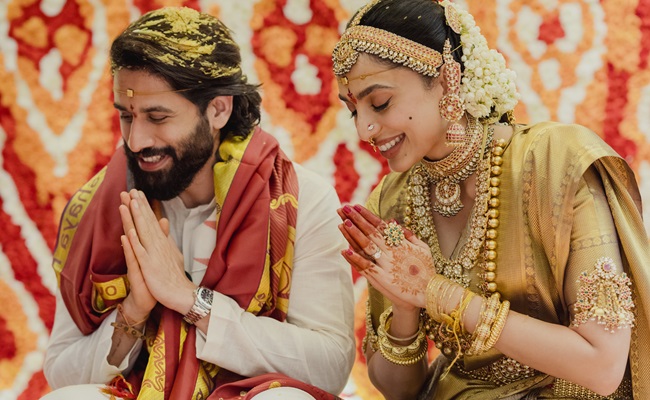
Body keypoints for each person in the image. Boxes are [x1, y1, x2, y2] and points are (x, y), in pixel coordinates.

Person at [332, 0, 650, 399]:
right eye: (353, 110)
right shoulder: (392, 203)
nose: (365, 129)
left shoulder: (557, 163)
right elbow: (400, 391)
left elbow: (602, 366)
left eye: (379, 103)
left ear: (448, 81)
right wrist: (406, 307)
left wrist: (435, 291)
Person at [43, 7, 355, 400]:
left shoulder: (298, 201)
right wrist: (133, 313)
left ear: (218, 109)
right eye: (127, 116)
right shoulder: (99, 206)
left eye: (158, 117)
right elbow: (59, 372)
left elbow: (331, 365)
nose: (136, 140)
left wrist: (191, 301)